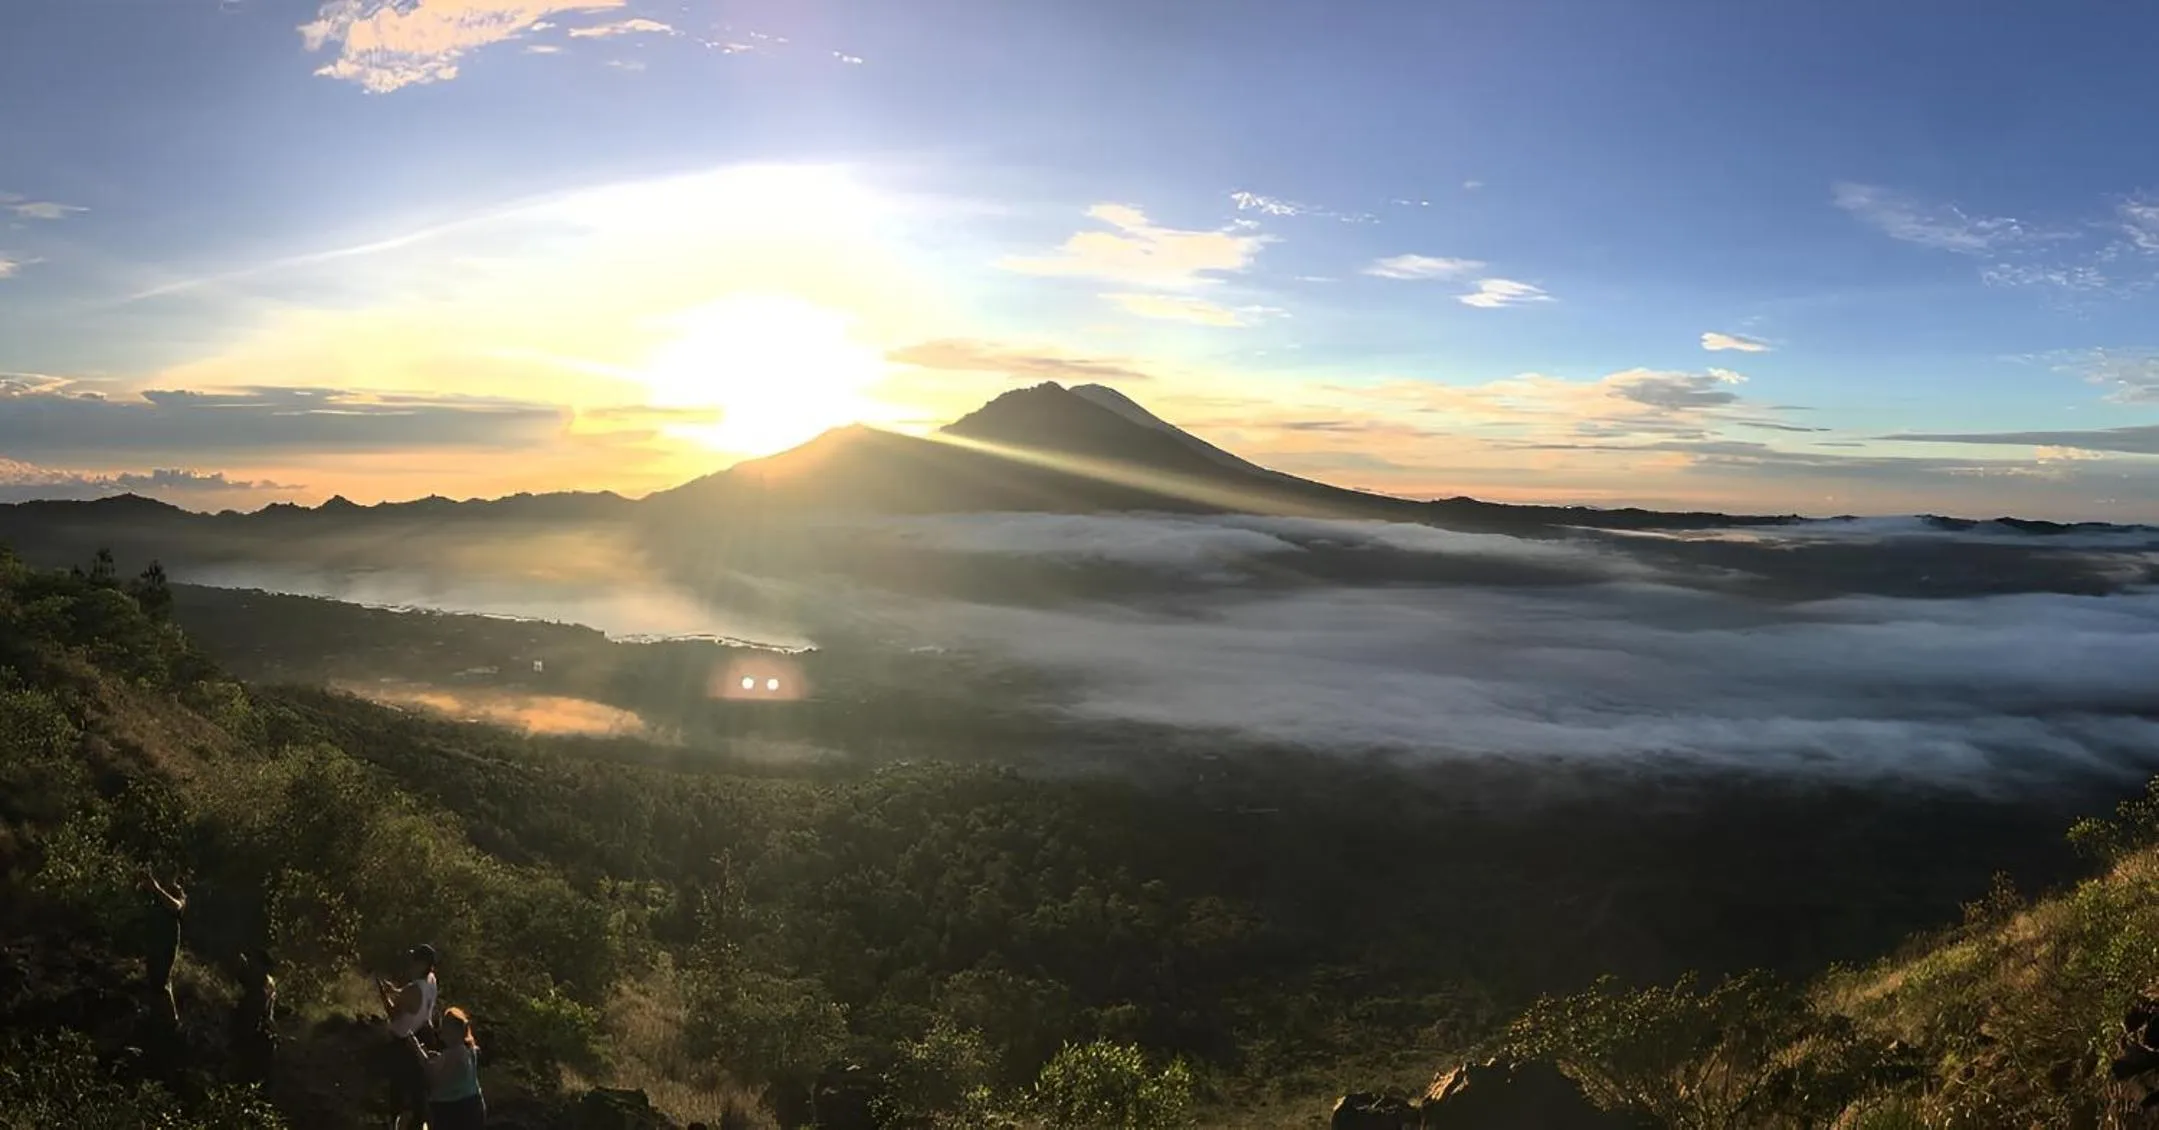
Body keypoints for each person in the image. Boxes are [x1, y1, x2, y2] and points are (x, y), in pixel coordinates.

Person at [376, 944, 440, 1130]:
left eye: (415, 960)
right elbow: (408, 997)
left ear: (422, 964)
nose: (411, 964)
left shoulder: (413, 989)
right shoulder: (431, 980)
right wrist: (395, 991)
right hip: (423, 1033)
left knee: (399, 1089)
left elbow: (393, 1013)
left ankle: (396, 1123)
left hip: (404, 1041)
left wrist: (382, 992)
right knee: (419, 1089)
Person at [412, 1007, 486, 1129]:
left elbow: (432, 1076)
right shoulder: (469, 1050)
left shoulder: (455, 1054)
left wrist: (416, 1049)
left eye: (446, 1026)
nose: (442, 1030)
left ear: (456, 1031)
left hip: (453, 1111)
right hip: (473, 1107)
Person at [142, 869, 187, 1024]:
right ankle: (158, 1018)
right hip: (154, 943)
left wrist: (157, 889)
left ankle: (172, 1020)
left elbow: (176, 907)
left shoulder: (177, 894)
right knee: (154, 982)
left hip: (167, 944)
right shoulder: (156, 896)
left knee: (162, 982)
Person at [228, 948, 278, 1087]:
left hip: (254, 1042)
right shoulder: (267, 983)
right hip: (261, 1040)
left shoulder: (260, 988)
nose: (251, 965)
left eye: (254, 963)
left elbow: (250, 1019)